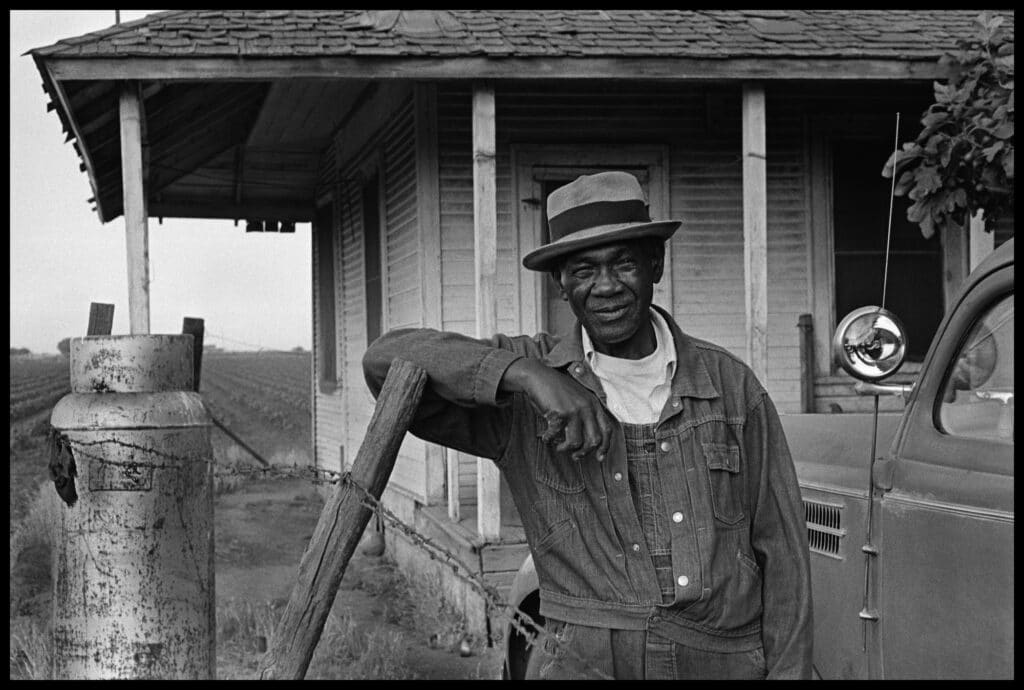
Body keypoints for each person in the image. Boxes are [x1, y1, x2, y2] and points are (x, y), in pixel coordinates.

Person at [363, 171, 812, 679]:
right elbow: (384, 361)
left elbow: (784, 555)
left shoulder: (730, 387)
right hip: (583, 664)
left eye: (624, 263)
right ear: (560, 284)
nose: (605, 287)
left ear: (655, 264)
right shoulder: (526, 383)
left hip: (721, 662)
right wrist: (524, 374)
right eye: (582, 270)